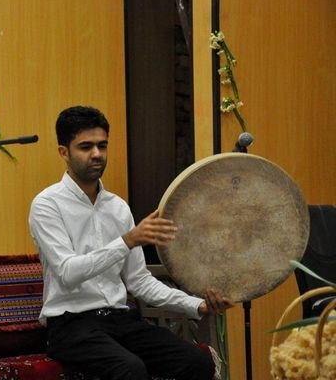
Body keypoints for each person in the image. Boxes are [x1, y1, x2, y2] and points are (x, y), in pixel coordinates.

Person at [28, 106, 234, 380]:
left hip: (120, 320)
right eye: (85, 147)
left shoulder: (118, 207)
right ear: (63, 152)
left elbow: (139, 282)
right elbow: (68, 273)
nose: (97, 154)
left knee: (197, 361)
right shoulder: (46, 205)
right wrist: (127, 241)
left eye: (102, 145)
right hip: (70, 325)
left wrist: (196, 305)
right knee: (130, 369)